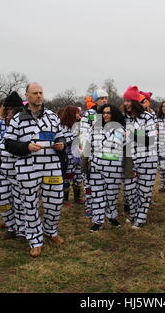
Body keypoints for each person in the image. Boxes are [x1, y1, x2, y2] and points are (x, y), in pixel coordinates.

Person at [4, 83, 66, 258]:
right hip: (27, 168)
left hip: (51, 167)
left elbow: (60, 135)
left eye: (41, 93)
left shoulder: (52, 117)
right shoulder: (17, 119)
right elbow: (8, 143)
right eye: (35, 93)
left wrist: (61, 143)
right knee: (29, 205)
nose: (39, 96)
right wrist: (26, 146)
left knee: (55, 202)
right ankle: (35, 240)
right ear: (27, 96)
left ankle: (50, 231)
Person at [0, 93, 26, 240]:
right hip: (3, 169)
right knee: (2, 198)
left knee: (20, 201)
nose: (9, 112)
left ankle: (21, 229)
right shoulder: (1, 124)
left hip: (18, 169)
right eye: (7, 109)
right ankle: (10, 225)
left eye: (12, 109)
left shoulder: (24, 124)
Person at [123, 86, 157, 230]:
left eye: (129, 101)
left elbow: (150, 139)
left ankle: (141, 218)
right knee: (130, 189)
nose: (127, 104)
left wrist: (133, 135)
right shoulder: (125, 118)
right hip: (130, 158)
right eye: (125, 101)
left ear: (136, 102)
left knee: (144, 190)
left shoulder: (148, 117)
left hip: (147, 159)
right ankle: (134, 213)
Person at [88, 104, 126, 232]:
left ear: (114, 114)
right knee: (97, 194)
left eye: (108, 113)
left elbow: (118, 146)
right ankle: (98, 221)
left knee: (112, 194)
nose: (105, 115)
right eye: (103, 113)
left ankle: (112, 217)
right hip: (96, 167)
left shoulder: (121, 130)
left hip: (113, 168)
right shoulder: (95, 129)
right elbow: (88, 144)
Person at [80, 89, 108, 218]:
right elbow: (84, 133)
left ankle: (104, 206)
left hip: (106, 153)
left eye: (106, 98)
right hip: (90, 152)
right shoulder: (89, 114)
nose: (104, 100)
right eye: (101, 98)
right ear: (95, 100)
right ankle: (89, 206)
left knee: (104, 181)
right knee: (89, 181)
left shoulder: (108, 113)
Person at [59, 105, 84, 207]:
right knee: (67, 177)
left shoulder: (79, 125)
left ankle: (77, 198)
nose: (79, 114)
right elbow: (65, 141)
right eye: (77, 113)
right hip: (68, 157)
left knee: (78, 176)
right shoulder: (63, 127)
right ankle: (64, 199)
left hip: (78, 156)